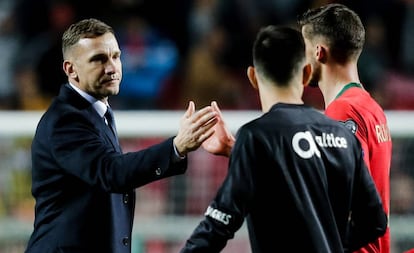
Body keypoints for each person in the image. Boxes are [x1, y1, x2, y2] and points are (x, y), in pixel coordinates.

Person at [180, 25, 387, 253]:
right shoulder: (342, 135)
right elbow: (375, 222)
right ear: (306, 74)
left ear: (253, 77)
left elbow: (218, 225)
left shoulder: (255, 137)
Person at [24, 18, 219, 253]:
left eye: (116, 56)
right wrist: (175, 147)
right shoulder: (65, 121)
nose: (111, 67)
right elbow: (112, 172)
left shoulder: (95, 113)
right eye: (98, 59)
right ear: (70, 69)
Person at [297, 4, 393, 253]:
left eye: (304, 49)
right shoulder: (372, 108)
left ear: (318, 52)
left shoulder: (342, 112)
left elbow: (341, 200)